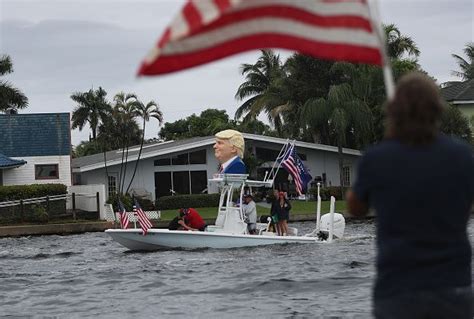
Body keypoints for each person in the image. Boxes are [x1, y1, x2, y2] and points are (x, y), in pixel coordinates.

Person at [346, 72, 473, 319]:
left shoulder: (377, 158)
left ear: (394, 111)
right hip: (453, 288)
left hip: (398, 290)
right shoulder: (461, 156)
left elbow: (356, 207)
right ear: (437, 110)